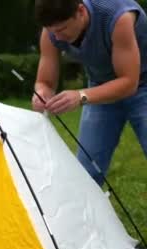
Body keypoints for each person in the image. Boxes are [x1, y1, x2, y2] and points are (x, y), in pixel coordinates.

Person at [32, 0, 147, 186]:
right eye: (52, 31)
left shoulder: (118, 17)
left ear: (81, 11)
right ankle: (82, 215)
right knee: (87, 171)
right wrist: (42, 93)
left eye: (62, 29)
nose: (57, 38)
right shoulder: (52, 32)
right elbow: (44, 82)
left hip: (142, 84)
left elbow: (129, 82)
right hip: (99, 86)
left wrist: (81, 96)